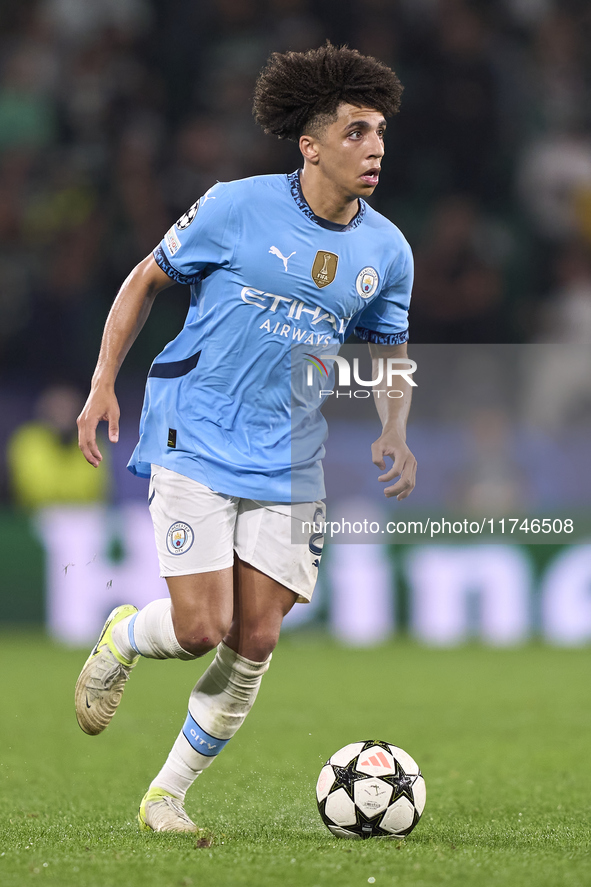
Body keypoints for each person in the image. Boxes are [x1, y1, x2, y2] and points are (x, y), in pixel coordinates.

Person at [75, 42, 417, 834]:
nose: (374, 148)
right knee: (200, 629)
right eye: (356, 132)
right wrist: (101, 381)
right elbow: (144, 279)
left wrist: (392, 427)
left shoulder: (387, 251)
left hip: (290, 453)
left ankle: (165, 795)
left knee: (255, 635)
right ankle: (126, 632)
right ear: (311, 145)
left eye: (379, 133)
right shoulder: (235, 206)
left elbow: (390, 350)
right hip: (194, 429)